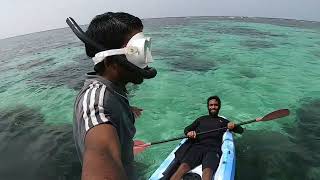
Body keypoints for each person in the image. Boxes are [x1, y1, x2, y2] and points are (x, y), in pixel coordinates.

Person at [72, 12, 157, 180]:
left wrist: (126, 111)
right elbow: (100, 144)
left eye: (145, 48)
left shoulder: (112, 91)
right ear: (110, 62)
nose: (146, 62)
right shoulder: (98, 106)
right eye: (138, 53)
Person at [170, 96, 244, 180]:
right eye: (211, 105)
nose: (213, 107)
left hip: (213, 149)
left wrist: (233, 125)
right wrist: (189, 132)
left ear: (219, 106)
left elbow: (240, 130)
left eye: (215, 105)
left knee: (207, 172)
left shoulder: (223, 121)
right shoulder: (201, 119)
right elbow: (187, 129)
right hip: (197, 147)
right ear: (208, 106)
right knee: (182, 168)